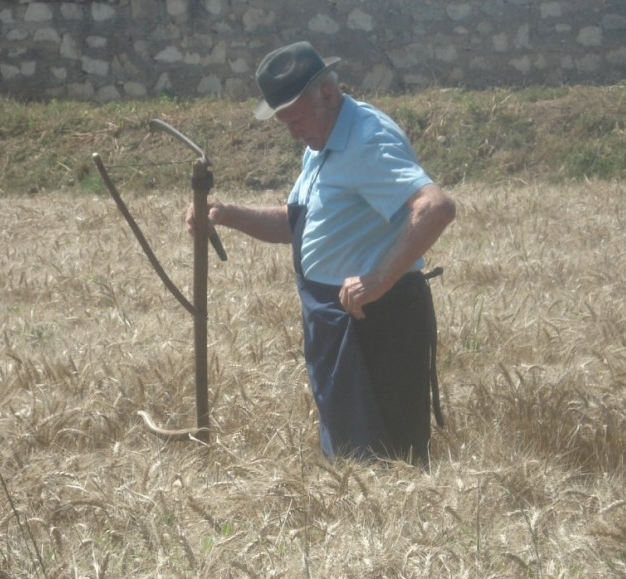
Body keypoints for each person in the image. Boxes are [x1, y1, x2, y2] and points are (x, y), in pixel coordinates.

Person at [186, 41, 456, 467]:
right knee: (349, 462)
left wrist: (377, 280)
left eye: (296, 119)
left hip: (375, 325)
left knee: (387, 465)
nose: (293, 133)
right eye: (285, 123)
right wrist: (225, 214)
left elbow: (435, 208)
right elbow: (296, 224)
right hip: (334, 324)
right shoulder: (323, 142)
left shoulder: (367, 140)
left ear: (328, 94)